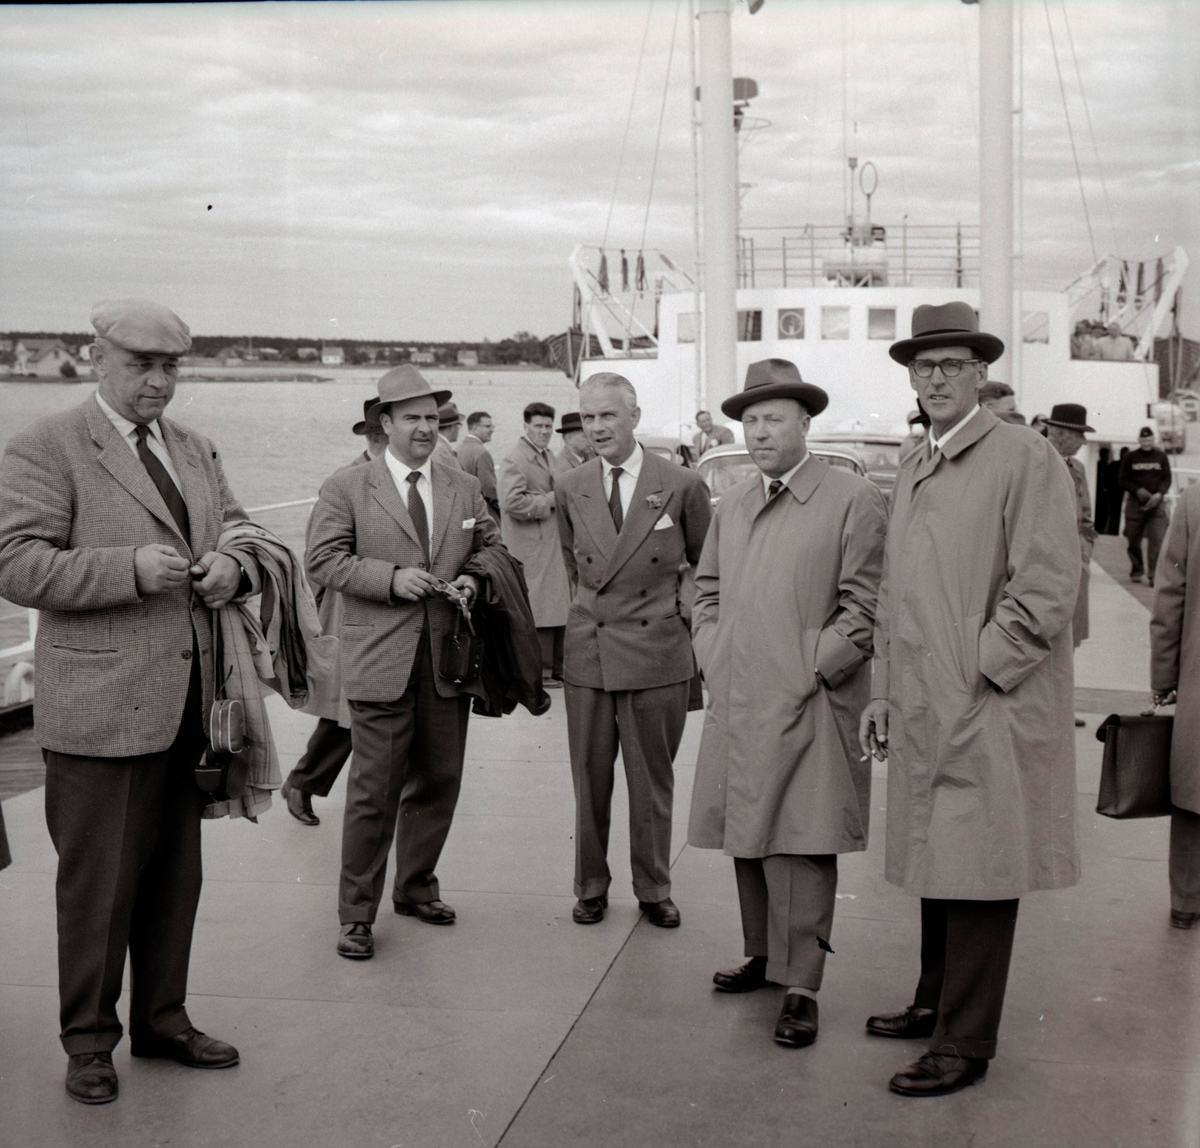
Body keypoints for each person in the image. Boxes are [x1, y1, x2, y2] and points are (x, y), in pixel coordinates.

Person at [0, 299, 255, 1104]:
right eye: (140, 364)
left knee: (176, 881)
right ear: (96, 358)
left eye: (170, 365)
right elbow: (15, 564)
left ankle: (162, 1020)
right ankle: (89, 1042)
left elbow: (242, 529)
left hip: (189, 705)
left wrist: (236, 568)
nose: (158, 380)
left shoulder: (195, 447)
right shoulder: (46, 445)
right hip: (100, 711)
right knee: (98, 890)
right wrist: (128, 571)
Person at [858, 302, 1080, 1098]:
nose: (937, 379)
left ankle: (965, 1043)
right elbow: (893, 591)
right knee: (938, 852)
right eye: (924, 367)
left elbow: (1047, 586)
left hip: (986, 701)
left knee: (980, 863)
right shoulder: (918, 460)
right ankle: (934, 1001)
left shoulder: (1024, 455)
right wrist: (884, 689)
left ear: (982, 374)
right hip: (923, 698)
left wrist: (979, 670)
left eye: (953, 365)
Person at [688, 359, 887, 1049]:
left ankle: (802, 986)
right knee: (747, 833)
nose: (759, 432)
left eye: (774, 418)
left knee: (802, 841)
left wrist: (810, 666)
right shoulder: (735, 502)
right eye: (750, 420)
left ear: (806, 423)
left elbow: (866, 606)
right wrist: (713, 653)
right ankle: (765, 956)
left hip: (810, 701)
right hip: (740, 693)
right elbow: (706, 591)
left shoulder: (853, 499)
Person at [306, 366, 505, 959]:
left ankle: (416, 888)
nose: (424, 428)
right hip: (379, 661)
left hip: (448, 661)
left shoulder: (462, 486)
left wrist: (474, 579)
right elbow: (322, 560)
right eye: (411, 418)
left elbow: (493, 547)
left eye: (431, 418)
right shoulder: (347, 486)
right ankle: (356, 915)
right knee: (375, 791)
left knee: (440, 780)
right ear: (384, 424)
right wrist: (390, 579)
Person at [555, 373, 712, 928]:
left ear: (635, 417)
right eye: (588, 417)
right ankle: (590, 887)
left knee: (652, 784)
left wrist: (682, 618)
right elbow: (574, 565)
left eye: (608, 416)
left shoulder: (683, 484)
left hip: (657, 652)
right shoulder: (570, 485)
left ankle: (653, 888)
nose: (597, 427)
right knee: (590, 781)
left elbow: (706, 567)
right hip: (591, 652)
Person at [280, 399, 389, 827]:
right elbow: (319, 558)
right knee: (353, 710)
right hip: (352, 613)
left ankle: (306, 782)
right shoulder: (345, 482)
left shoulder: (400, 479)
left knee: (361, 710)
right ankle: (303, 782)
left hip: (390, 614)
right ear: (379, 436)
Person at [1150, 483, 1200, 929]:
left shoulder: (1196, 499)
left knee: (1194, 791)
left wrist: (1165, 676)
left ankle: (1186, 901)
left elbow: (1171, 592)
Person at [499, 402, 571, 686]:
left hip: (549, 543)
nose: (544, 431)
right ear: (526, 426)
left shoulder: (548, 455)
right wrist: (549, 501)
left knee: (555, 604)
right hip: (532, 546)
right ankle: (541, 672)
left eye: (548, 426)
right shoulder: (515, 459)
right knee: (540, 607)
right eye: (538, 426)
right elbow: (511, 503)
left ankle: (555, 668)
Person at [1043, 404, 1097, 648]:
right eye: (1079, 435)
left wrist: (1083, 554)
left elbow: (1086, 519)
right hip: (1043, 566)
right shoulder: (1035, 461)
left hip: (1074, 566)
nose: (1084, 442)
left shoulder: (1078, 469)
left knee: (1070, 638)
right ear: (1062, 434)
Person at [1119, 427, 1171, 585]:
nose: (1147, 443)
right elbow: (1122, 479)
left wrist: (1160, 493)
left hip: (1156, 504)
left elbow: (1167, 479)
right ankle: (1137, 569)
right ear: (1139, 440)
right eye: (1144, 440)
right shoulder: (1130, 457)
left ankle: (1154, 575)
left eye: (1149, 440)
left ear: (1153, 440)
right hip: (1135, 503)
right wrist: (1136, 490)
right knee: (1133, 540)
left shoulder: (1161, 457)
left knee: (1157, 540)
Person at [457, 411, 500, 521]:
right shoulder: (482, 452)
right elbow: (489, 489)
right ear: (475, 428)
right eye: (488, 426)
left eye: (492, 426)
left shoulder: (459, 449)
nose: (492, 430)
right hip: (484, 514)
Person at [433, 401, 463, 469]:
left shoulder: (439, 446)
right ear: (452, 427)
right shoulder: (441, 451)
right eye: (458, 425)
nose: (458, 430)